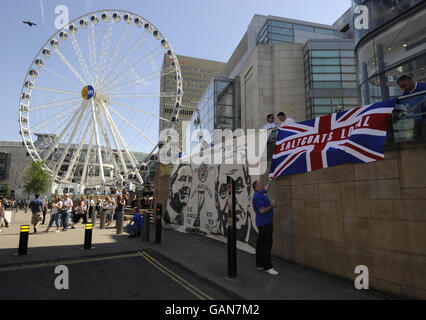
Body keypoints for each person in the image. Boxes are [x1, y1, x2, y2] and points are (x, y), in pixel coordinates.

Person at [252, 179, 279, 276]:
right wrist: (272, 206)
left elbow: (266, 188)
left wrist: (270, 180)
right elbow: (262, 211)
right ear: (256, 187)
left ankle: (259, 264)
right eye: (260, 184)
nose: (262, 184)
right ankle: (268, 267)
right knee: (267, 245)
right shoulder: (257, 197)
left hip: (262, 224)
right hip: (265, 224)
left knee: (260, 244)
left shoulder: (261, 193)